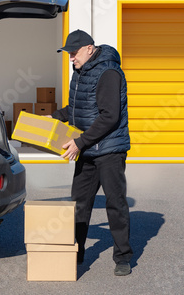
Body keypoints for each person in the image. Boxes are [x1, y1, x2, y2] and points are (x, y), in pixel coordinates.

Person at [51, 29, 133, 276]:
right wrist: (52, 117)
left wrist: (80, 142)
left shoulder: (108, 72)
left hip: (108, 150)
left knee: (115, 204)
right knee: (79, 204)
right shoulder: (80, 72)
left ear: (89, 48)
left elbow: (110, 116)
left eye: (74, 53)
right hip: (87, 150)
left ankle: (123, 257)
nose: (71, 58)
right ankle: (76, 252)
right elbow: (78, 109)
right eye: (68, 54)